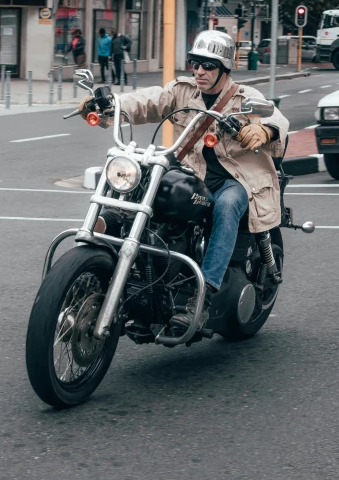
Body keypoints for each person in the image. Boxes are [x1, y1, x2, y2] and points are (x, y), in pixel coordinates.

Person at [79, 30, 289, 331]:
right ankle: (107, 237)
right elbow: (147, 101)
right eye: (195, 63)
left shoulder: (245, 98)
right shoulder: (182, 91)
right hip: (192, 171)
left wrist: (264, 131)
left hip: (235, 178)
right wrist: (109, 105)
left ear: (224, 69)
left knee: (227, 206)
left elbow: (276, 118)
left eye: (209, 65)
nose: (200, 71)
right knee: (137, 182)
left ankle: (203, 296)